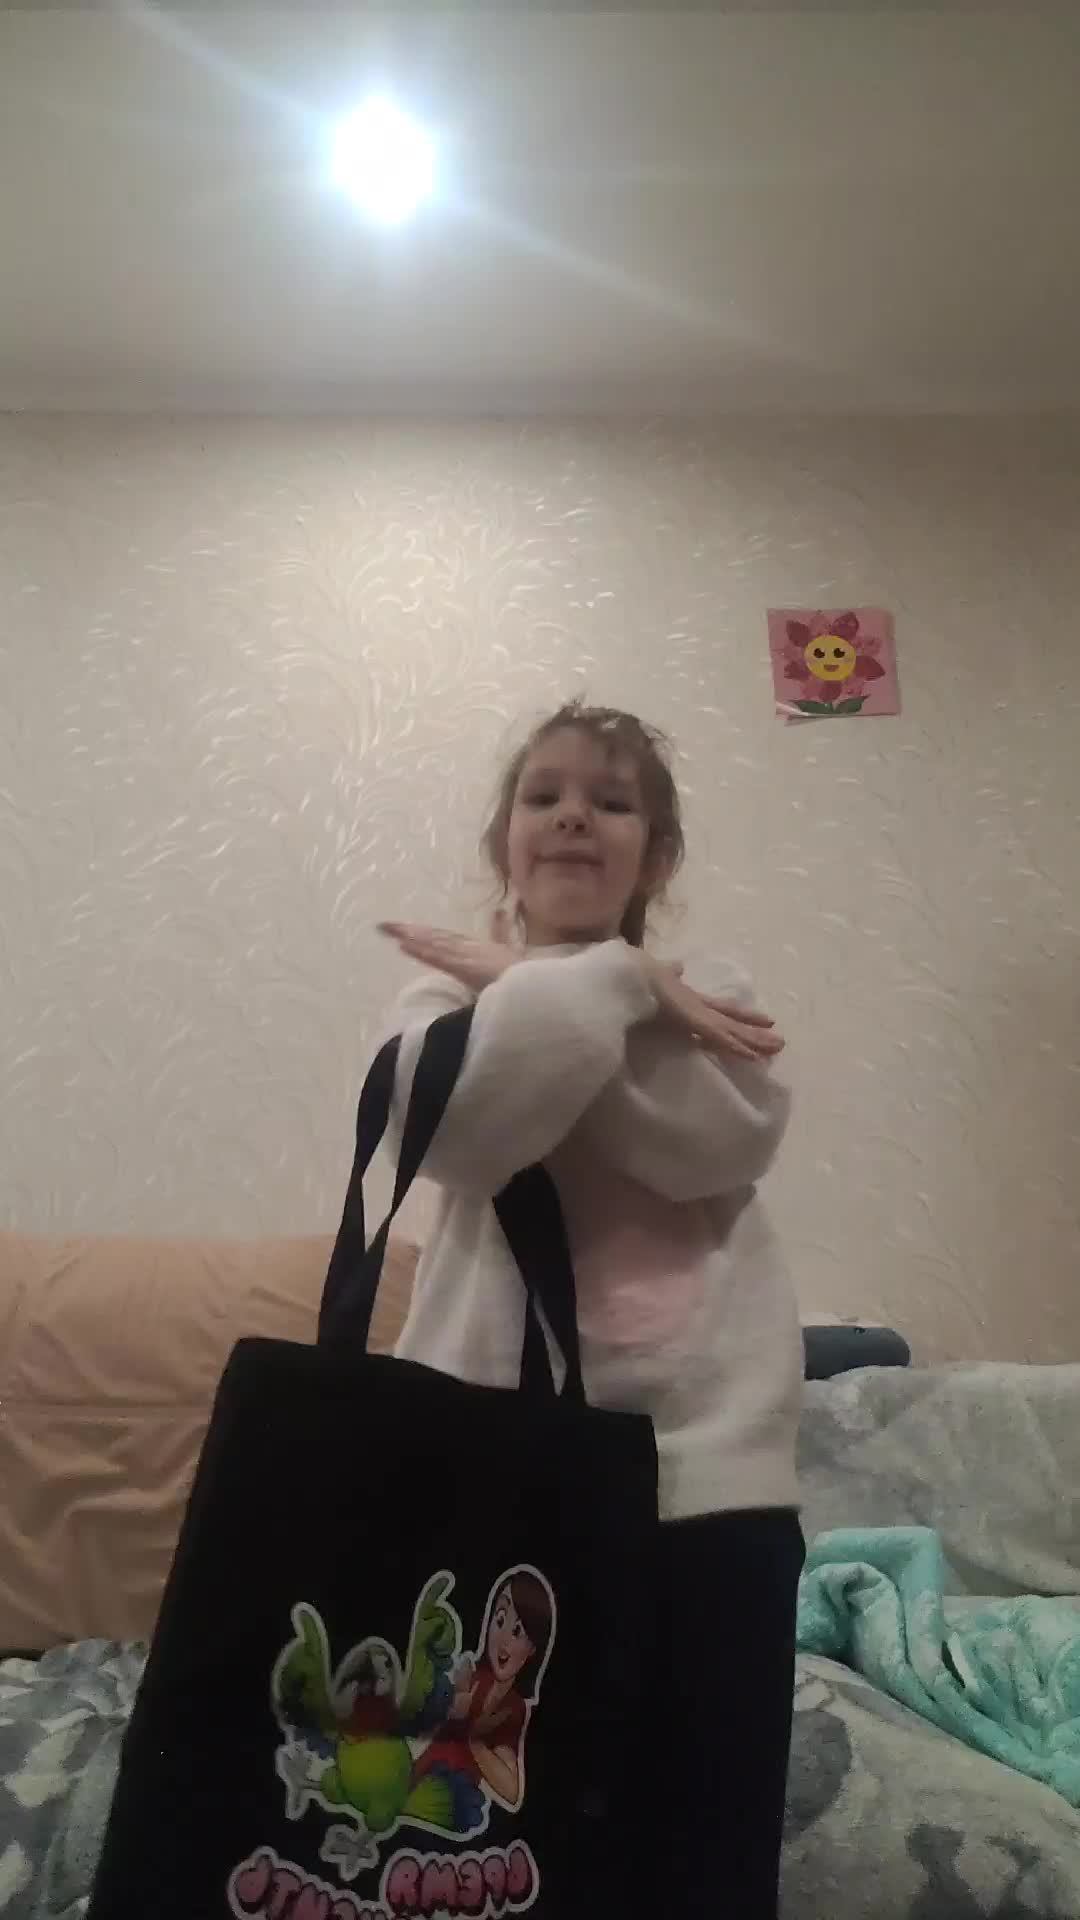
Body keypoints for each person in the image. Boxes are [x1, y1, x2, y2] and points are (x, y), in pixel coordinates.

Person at [377, 701, 804, 1917]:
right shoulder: (437, 996)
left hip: (708, 1480)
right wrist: (613, 981)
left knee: (707, 1837)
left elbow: (714, 1143)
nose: (575, 816)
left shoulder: (712, 992)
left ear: (653, 858)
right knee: (498, 1844)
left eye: (612, 803)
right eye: (546, 795)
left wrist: (550, 982)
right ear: (503, 844)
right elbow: (465, 1135)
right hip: (492, 1470)